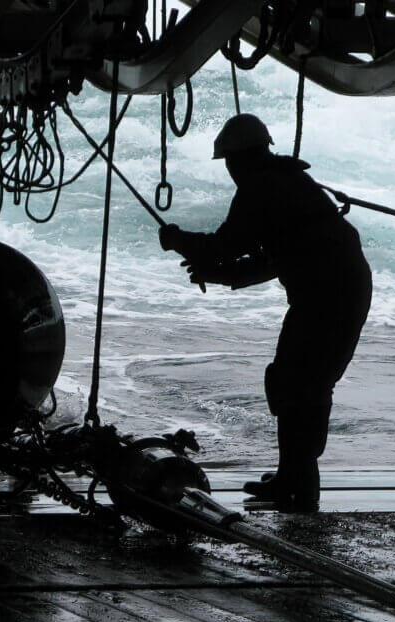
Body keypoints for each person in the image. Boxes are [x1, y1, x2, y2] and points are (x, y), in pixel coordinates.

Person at [158, 114, 371, 511]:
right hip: (338, 291)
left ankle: (300, 483)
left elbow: (225, 245)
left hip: (327, 296)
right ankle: (294, 473)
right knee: (297, 383)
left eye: (228, 163)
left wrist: (178, 240)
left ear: (237, 159)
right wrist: (215, 274)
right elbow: (268, 262)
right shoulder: (287, 183)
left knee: (298, 385)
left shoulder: (261, 188)